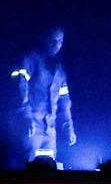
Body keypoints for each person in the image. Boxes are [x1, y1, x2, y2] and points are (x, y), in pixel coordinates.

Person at [12, 26, 75, 163]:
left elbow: (65, 102)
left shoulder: (60, 69)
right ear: (43, 38)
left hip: (50, 129)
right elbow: (20, 87)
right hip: (31, 125)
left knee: (48, 169)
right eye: (53, 40)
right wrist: (26, 115)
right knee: (28, 167)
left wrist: (68, 127)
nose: (57, 45)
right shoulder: (29, 59)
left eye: (60, 41)